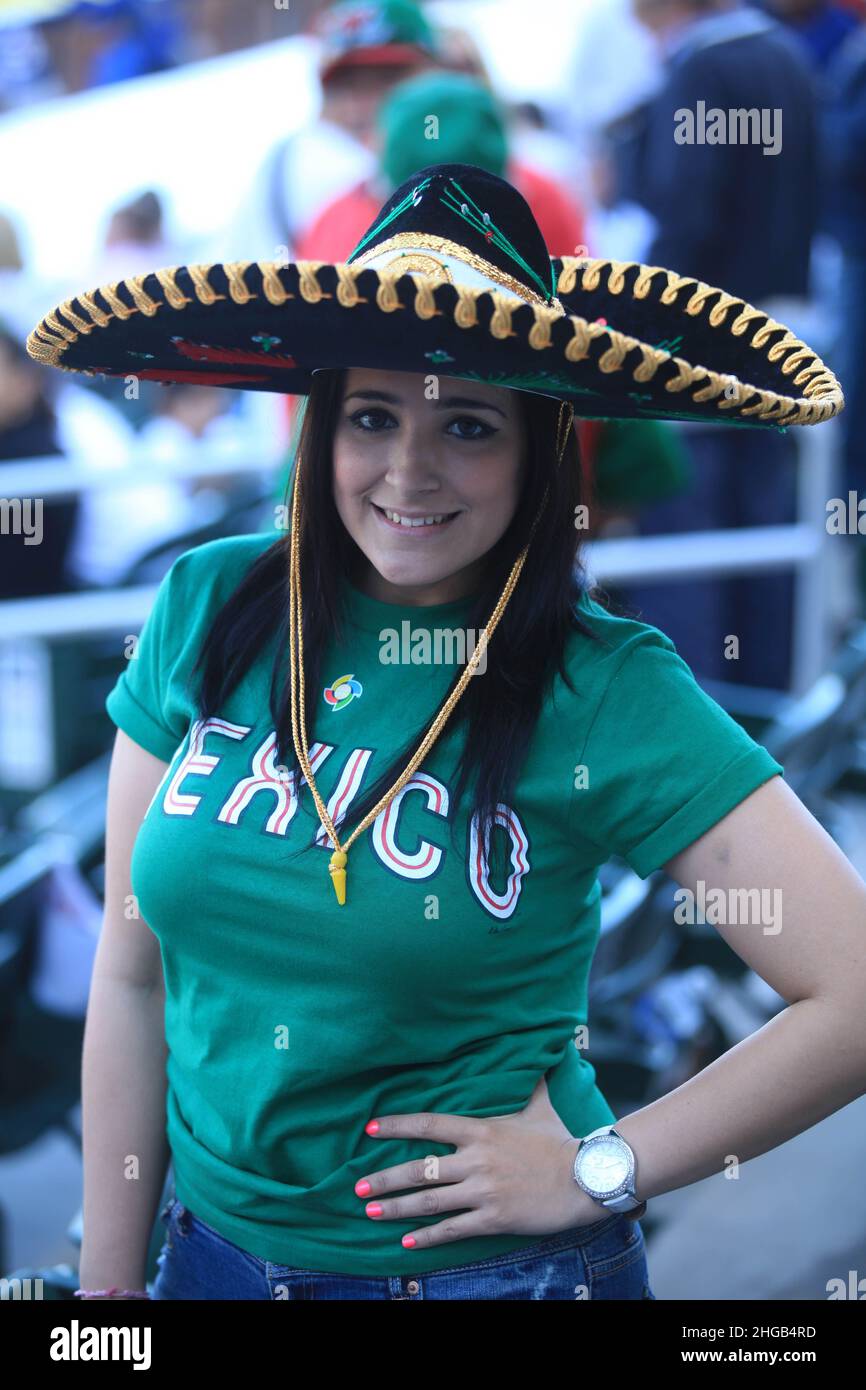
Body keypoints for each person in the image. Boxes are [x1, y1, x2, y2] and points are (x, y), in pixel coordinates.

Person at [27, 163, 863, 1302]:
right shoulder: (208, 607)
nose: (408, 471)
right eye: (371, 417)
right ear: (319, 430)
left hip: (494, 1282)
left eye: (467, 424)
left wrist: (598, 1168)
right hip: (206, 1261)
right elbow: (131, 973)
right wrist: (108, 1296)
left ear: (534, 453)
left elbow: (852, 992)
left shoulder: (600, 683)